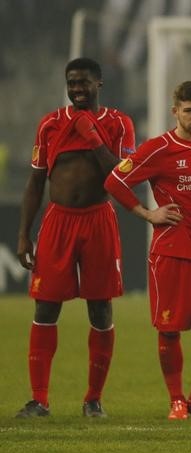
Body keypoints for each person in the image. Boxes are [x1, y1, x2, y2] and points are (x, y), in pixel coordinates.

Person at [105, 80, 191, 420]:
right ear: (175, 112)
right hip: (172, 252)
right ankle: (176, 401)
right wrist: (147, 213)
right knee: (170, 328)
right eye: (189, 111)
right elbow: (114, 181)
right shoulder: (159, 149)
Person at [16, 58, 135, 418]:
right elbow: (36, 183)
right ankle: (39, 400)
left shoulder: (119, 124)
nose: (76, 88)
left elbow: (122, 176)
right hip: (58, 222)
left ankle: (93, 400)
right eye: (71, 82)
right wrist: (24, 235)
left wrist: (93, 136)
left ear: (99, 84)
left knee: (100, 307)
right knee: (46, 306)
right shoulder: (50, 124)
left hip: (98, 221)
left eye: (83, 82)